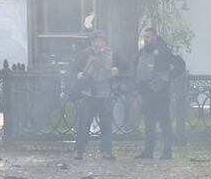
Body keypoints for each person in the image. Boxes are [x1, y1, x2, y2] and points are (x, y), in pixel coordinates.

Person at [70, 30, 124, 160]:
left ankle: (106, 151)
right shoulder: (84, 55)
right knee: (84, 124)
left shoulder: (112, 55)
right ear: (93, 42)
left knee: (106, 124)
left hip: (105, 93)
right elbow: (72, 68)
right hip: (88, 93)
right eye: (97, 40)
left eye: (102, 40)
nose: (100, 43)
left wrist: (117, 70)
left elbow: (125, 67)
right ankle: (79, 150)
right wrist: (78, 74)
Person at [134, 27, 185, 159]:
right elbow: (137, 69)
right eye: (144, 37)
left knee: (164, 123)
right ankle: (148, 151)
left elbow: (180, 64)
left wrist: (169, 76)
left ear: (155, 37)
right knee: (149, 124)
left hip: (161, 93)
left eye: (148, 36)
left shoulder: (164, 51)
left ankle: (167, 152)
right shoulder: (142, 52)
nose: (146, 39)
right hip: (146, 92)